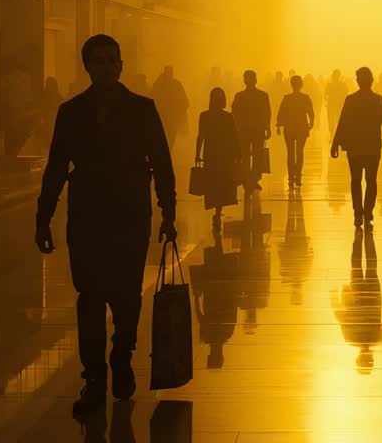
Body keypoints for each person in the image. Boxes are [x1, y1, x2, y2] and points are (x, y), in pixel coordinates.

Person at [34, 34, 177, 416]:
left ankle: (121, 353)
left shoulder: (142, 109)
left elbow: (161, 163)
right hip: (87, 218)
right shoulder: (71, 112)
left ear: (121, 66)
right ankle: (94, 377)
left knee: (128, 295)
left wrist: (169, 212)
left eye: (113, 61)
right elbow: (55, 168)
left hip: (130, 216)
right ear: (87, 67)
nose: (107, 68)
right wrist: (43, 217)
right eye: (99, 61)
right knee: (91, 298)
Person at [332, 67, 382, 228]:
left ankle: (358, 213)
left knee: (356, 181)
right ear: (371, 81)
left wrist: (335, 143)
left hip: (355, 147)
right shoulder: (378, 100)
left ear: (358, 81)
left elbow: (342, 122)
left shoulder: (351, 100)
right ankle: (367, 212)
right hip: (372, 147)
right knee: (371, 181)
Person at [333, 229, 382, 374]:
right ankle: (359, 237)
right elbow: (342, 317)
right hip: (357, 296)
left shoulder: (379, 339)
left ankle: (367, 237)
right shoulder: (349, 338)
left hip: (372, 296)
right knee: (356, 265)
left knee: (371, 266)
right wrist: (336, 300)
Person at [195, 87, 240, 228]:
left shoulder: (204, 116)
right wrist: (238, 154)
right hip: (224, 154)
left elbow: (200, 136)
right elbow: (235, 137)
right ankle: (218, 210)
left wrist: (197, 153)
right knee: (222, 183)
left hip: (211, 154)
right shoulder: (228, 117)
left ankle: (216, 209)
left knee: (213, 183)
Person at [232, 70, 271, 194]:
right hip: (257, 129)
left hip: (243, 130)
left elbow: (234, 114)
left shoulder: (239, 96)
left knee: (245, 155)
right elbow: (267, 113)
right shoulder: (263, 95)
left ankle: (247, 179)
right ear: (256, 80)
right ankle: (253, 179)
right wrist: (267, 127)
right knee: (257, 155)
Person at [277, 75, 315, 188]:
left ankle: (290, 176)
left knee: (290, 153)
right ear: (301, 85)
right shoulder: (305, 98)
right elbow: (311, 113)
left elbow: (281, 112)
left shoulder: (287, 98)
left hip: (289, 128)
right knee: (299, 152)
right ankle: (298, 176)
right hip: (302, 128)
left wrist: (279, 125)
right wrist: (311, 124)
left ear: (291, 85)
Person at [151, 65, 189, 147]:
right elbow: (185, 102)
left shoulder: (160, 84)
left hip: (168, 118)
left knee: (167, 139)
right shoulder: (161, 84)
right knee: (167, 138)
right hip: (165, 117)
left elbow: (185, 102)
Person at [325, 69, 349, 134]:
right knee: (339, 121)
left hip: (331, 106)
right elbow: (346, 95)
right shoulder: (343, 85)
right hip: (340, 105)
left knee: (331, 121)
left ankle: (332, 134)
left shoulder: (329, 85)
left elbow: (326, 95)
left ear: (332, 77)